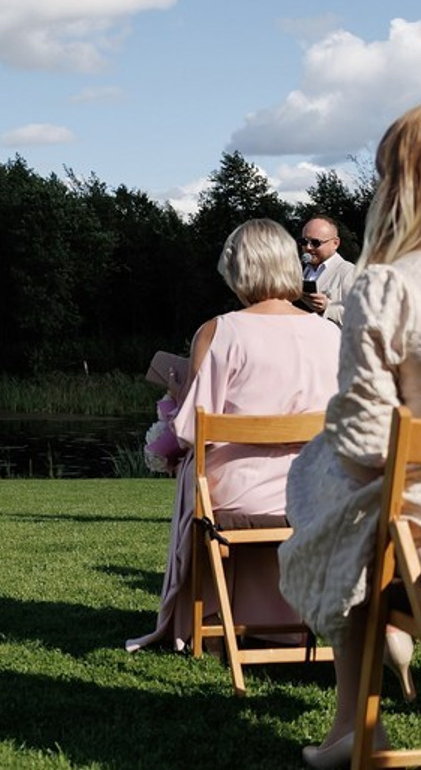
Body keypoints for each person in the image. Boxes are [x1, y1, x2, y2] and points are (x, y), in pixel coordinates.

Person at [280, 106, 421, 767]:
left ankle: (355, 723)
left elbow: (368, 438)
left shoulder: (388, 286)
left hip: (413, 539)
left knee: (334, 481)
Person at [125, 218, 339, 653]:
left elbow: (190, 431)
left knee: (195, 472)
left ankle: (211, 617)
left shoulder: (220, 331)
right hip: (316, 495)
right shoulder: (329, 334)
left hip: (236, 497)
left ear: (238, 269)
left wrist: (178, 393)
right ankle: (284, 620)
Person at [299, 214, 357, 325]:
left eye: (315, 243)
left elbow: (360, 318)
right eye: (304, 242)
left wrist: (327, 307)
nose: (308, 247)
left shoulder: (348, 272)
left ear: (335, 243)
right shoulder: (302, 270)